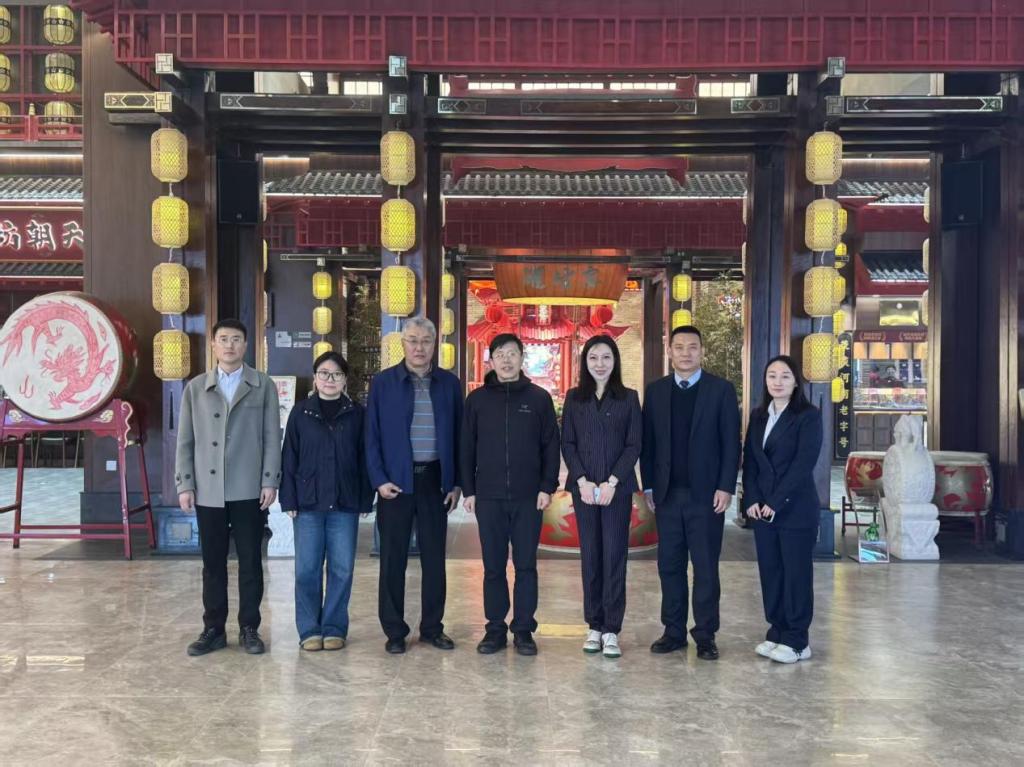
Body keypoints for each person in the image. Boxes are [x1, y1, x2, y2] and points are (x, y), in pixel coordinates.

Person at [176, 319, 282, 656]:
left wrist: (269, 479)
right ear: (213, 345)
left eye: (236, 339)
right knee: (213, 563)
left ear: (246, 345)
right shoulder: (196, 388)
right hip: (208, 489)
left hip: (249, 487)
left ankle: (250, 627)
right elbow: (185, 440)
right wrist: (185, 484)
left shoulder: (262, 385)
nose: (230, 345)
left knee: (251, 561)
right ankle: (213, 628)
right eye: (223, 339)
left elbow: (272, 437)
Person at [640, 325, 740, 661]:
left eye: (693, 347)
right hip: (667, 496)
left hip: (707, 497)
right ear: (669, 351)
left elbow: (731, 443)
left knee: (705, 568)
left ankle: (706, 634)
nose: (686, 353)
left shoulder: (720, 390)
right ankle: (673, 631)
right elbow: (648, 444)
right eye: (679, 347)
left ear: (702, 351)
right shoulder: (656, 391)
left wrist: (726, 485)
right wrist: (649, 485)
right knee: (669, 566)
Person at [365, 317, 463, 654]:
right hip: (395, 482)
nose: (419, 347)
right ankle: (394, 630)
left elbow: (460, 436)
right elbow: (371, 436)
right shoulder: (383, 383)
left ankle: (432, 628)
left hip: (435, 481)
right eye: (412, 340)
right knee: (393, 558)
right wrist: (379, 479)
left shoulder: (449, 384)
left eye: (425, 341)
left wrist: (455, 482)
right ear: (402, 344)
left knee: (434, 559)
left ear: (435, 344)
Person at [461, 333, 560, 656]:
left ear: (522, 358)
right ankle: (494, 628)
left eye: (512, 353)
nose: (506, 360)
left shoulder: (538, 398)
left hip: (528, 496)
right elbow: (466, 447)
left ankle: (523, 629)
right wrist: (469, 489)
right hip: (488, 496)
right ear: (490, 360)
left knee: (526, 565)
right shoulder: (477, 401)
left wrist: (547, 486)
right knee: (492, 566)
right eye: (500, 354)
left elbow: (551, 445)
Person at [280, 351, 373, 652]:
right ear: (315, 378)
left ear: (345, 380)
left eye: (336, 374)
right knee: (306, 569)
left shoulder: (357, 414)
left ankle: (334, 627)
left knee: (341, 569)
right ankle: (309, 629)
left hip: (345, 502)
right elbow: (289, 457)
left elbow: (365, 458)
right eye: (324, 373)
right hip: (307, 503)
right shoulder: (301, 413)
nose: (329, 379)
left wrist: (365, 499)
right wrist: (288, 498)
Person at [560, 335, 642, 659]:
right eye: (593, 357)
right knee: (591, 556)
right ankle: (594, 625)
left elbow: (634, 445)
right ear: (585, 362)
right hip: (583, 489)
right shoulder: (574, 398)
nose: (600, 363)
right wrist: (581, 480)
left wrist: (612, 482)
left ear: (615, 361)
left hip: (615, 491)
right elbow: (568, 443)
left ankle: (611, 630)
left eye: (606, 357)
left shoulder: (629, 398)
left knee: (614, 557)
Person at [742, 355, 823, 664]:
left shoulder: (808, 416)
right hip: (761, 510)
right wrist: (751, 499)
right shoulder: (758, 416)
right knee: (771, 572)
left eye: (785, 376)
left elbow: (803, 464)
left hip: (794, 509)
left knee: (796, 575)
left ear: (796, 382)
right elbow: (750, 460)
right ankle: (776, 631)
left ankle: (797, 640)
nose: (778, 382)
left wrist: (775, 502)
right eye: (772, 376)